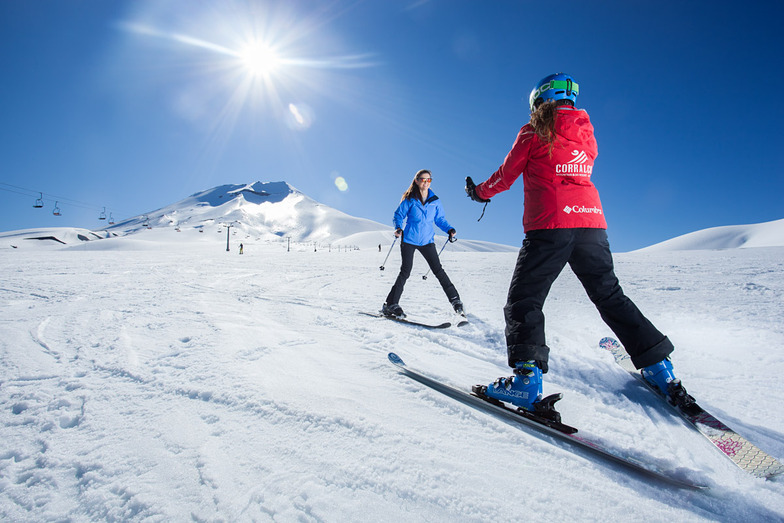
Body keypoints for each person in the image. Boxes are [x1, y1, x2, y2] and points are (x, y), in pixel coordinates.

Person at [465, 73, 690, 422]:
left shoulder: (532, 132)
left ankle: (525, 382)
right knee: (610, 295)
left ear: (539, 100)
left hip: (551, 224)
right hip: (591, 223)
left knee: (525, 299)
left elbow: (506, 175)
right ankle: (659, 367)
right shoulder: (586, 132)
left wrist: (480, 192)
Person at [382, 169, 464, 318]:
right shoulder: (410, 199)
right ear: (416, 180)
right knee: (405, 271)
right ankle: (392, 304)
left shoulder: (435, 201)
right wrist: (398, 227)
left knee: (438, 270)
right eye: (423, 179)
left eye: (429, 180)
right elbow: (398, 215)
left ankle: (455, 300)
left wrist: (449, 229)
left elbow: (440, 219)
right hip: (409, 240)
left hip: (427, 241)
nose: (426, 182)